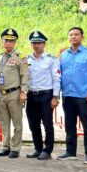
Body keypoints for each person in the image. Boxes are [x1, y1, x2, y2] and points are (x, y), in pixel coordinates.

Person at [58, 26, 87, 165]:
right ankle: (70, 152)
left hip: (84, 96)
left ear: (82, 37)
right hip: (68, 95)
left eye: (76, 34)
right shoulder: (64, 55)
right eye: (71, 34)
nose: (73, 37)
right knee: (69, 126)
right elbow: (60, 75)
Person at [25, 31, 60, 160]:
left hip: (46, 95)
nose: (36, 45)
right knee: (33, 124)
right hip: (31, 95)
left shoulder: (51, 59)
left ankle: (47, 150)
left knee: (47, 124)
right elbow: (24, 78)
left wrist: (55, 97)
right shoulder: (27, 59)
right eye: (34, 43)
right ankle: (38, 148)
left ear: (44, 44)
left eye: (39, 43)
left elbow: (56, 78)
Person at [0, 28, 30, 159]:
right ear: (2, 42)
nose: (8, 43)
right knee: (4, 122)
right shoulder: (0, 58)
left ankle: (15, 148)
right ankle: (5, 146)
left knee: (17, 123)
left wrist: (23, 92)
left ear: (15, 42)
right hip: (1, 94)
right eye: (6, 40)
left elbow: (24, 75)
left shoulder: (20, 58)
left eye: (11, 41)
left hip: (14, 93)